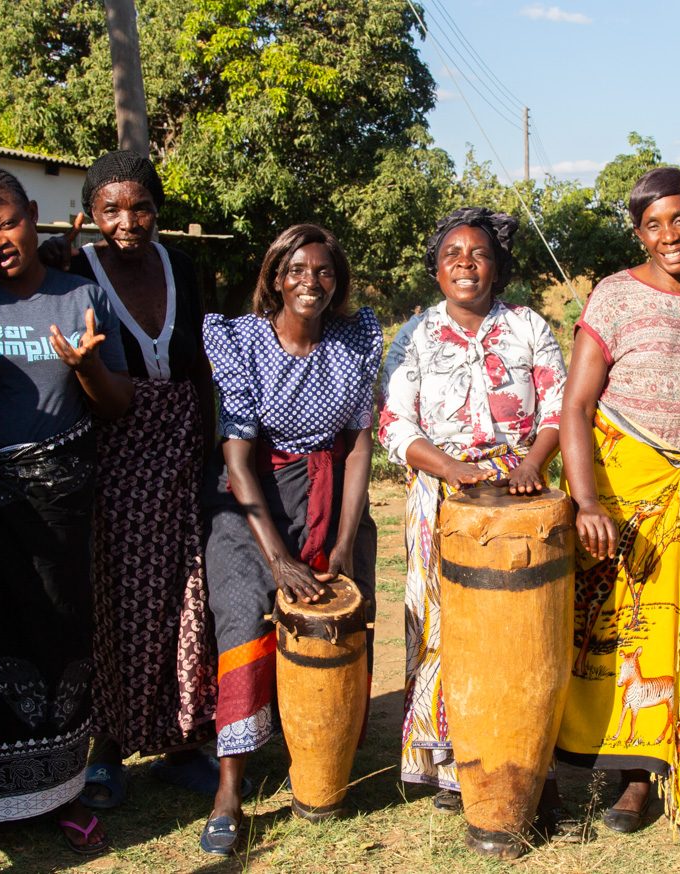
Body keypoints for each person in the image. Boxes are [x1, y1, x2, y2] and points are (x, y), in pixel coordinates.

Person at [0, 168, 129, 856]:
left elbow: (117, 406)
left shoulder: (79, 295)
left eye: (8, 221)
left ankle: (60, 795)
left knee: (58, 646)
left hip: (59, 519)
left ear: (34, 215)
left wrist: (84, 368)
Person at [557, 167, 680, 851]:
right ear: (638, 232)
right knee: (602, 636)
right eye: (654, 224)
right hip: (614, 486)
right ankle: (601, 767)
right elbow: (574, 405)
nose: (669, 235)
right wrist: (588, 502)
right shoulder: (615, 297)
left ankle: (674, 785)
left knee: (679, 639)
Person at [198, 224, 382, 856]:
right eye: (297, 270)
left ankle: (322, 766)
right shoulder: (241, 341)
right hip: (251, 504)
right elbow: (239, 461)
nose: (312, 282)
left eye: (324, 271)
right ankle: (230, 789)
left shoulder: (356, 340)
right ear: (275, 278)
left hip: (333, 498)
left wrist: (343, 541)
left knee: (346, 611)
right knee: (244, 616)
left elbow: (359, 446)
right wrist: (277, 555)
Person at [379, 207, 567, 823]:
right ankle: (449, 758)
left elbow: (557, 409)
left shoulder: (528, 326)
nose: (466, 262)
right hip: (442, 497)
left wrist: (531, 464)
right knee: (444, 624)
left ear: (498, 266)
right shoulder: (414, 337)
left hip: (520, 496)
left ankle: (522, 750)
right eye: (453, 254)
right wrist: (451, 470)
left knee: (521, 628)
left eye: (478, 253)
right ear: (436, 271)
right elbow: (394, 424)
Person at [63, 150, 220, 808]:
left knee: (189, 595)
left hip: (184, 447)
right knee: (117, 600)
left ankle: (183, 741)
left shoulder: (181, 268)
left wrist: (212, 447)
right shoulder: (76, 273)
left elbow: (205, 363)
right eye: (111, 209)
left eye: (141, 207)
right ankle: (107, 750)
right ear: (89, 215)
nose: (127, 221)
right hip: (116, 453)